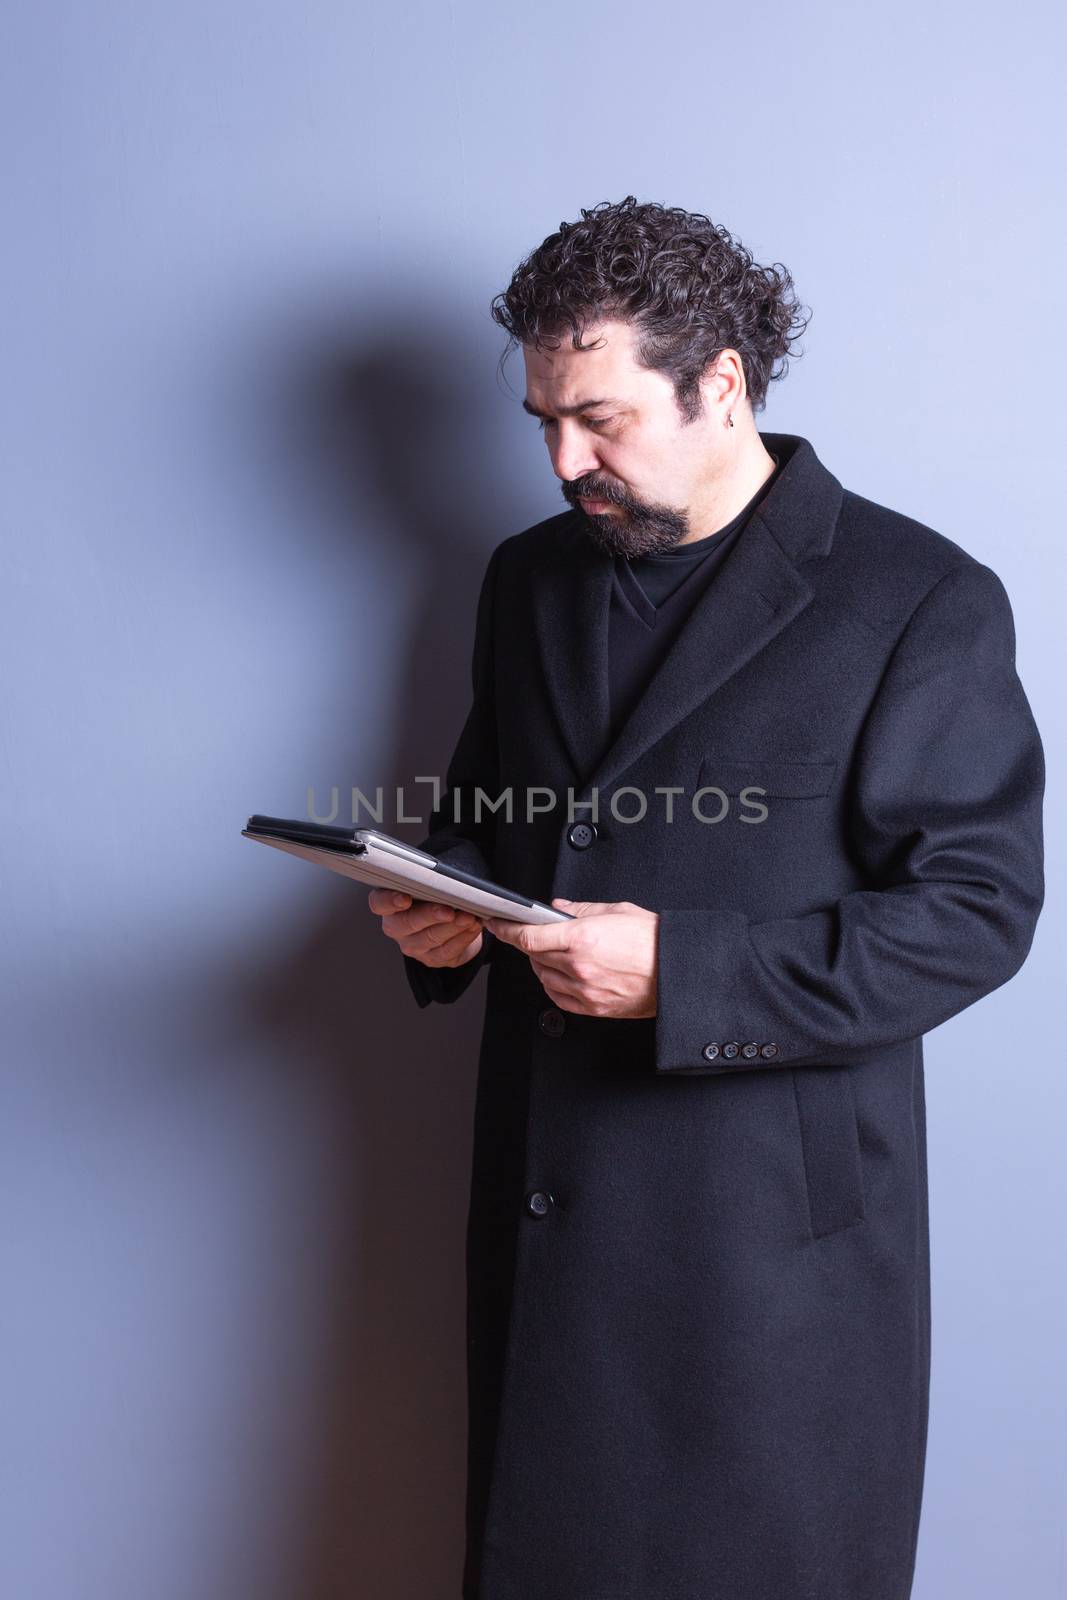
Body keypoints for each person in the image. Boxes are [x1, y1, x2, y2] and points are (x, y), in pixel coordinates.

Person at [367, 195, 1045, 1600]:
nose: (567, 460)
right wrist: (447, 916)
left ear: (720, 381)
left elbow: (978, 913)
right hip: (554, 1212)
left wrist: (688, 972)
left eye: (601, 419)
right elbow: (492, 822)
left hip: (764, 1265)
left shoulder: (918, 597)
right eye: (545, 422)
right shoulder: (527, 581)